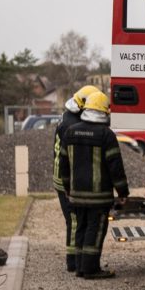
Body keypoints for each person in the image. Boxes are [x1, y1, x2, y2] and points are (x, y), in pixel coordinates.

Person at [58, 92, 128, 279]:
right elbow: (115, 166)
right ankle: (90, 269)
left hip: (76, 194)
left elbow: (63, 164)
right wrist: (123, 192)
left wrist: (67, 188)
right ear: (104, 111)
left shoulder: (70, 132)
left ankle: (80, 267)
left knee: (80, 228)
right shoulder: (106, 135)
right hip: (99, 196)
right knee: (95, 231)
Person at [53, 85, 100, 272]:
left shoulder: (67, 117)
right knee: (73, 220)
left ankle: (75, 258)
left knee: (74, 219)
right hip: (66, 179)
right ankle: (72, 261)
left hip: (61, 176)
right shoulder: (71, 125)